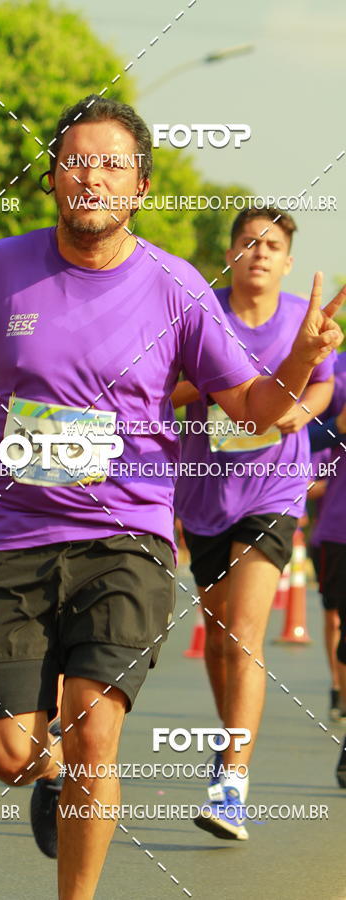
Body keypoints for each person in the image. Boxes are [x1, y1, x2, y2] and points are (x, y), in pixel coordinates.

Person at [0, 97, 343, 897]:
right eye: (76, 161)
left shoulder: (177, 287)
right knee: (13, 755)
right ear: (53, 178)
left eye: (111, 163)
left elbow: (257, 409)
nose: (91, 176)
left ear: (142, 186)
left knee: (96, 728)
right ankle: (44, 764)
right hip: (12, 534)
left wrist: (299, 358)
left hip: (128, 537)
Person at [173, 207, 337, 840]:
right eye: (249, 243)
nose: (260, 253)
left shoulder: (303, 316)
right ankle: (227, 748)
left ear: (287, 260)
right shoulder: (199, 313)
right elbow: (167, 387)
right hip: (203, 491)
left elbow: (323, 387)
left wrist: (296, 409)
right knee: (217, 639)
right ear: (232, 254)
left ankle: (232, 782)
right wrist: (232, 390)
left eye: (273, 245)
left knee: (244, 632)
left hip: (275, 488)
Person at [307, 351, 346, 785]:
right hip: (340, 529)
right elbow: (302, 434)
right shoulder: (335, 372)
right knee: (337, 619)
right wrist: (339, 428)